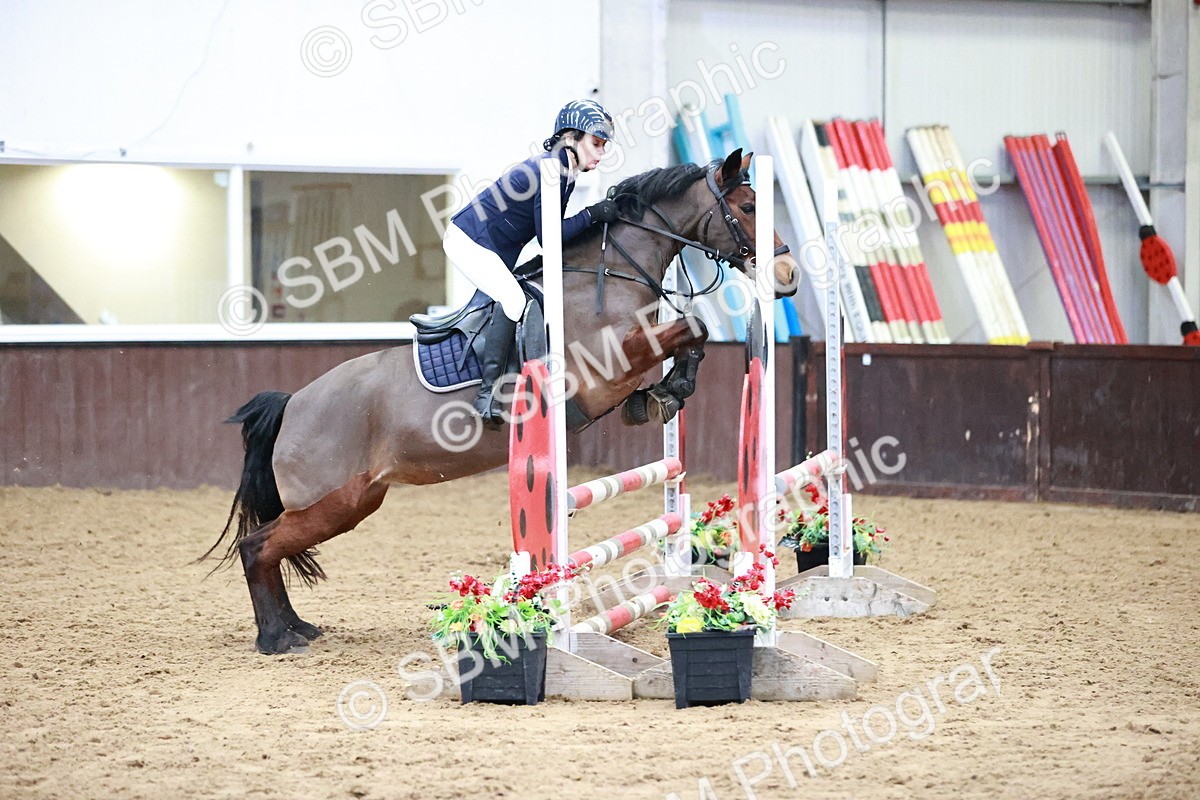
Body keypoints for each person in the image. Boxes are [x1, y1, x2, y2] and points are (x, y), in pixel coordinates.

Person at [443, 99, 621, 429]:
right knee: (514, 301)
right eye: (596, 143)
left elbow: (555, 233)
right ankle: (487, 394)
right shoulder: (552, 170)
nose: (601, 153)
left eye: (604, 146)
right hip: (469, 241)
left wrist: (592, 219)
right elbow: (550, 237)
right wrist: (593, 214)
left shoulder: (564, 170)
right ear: (571, 138)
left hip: (493, 248)